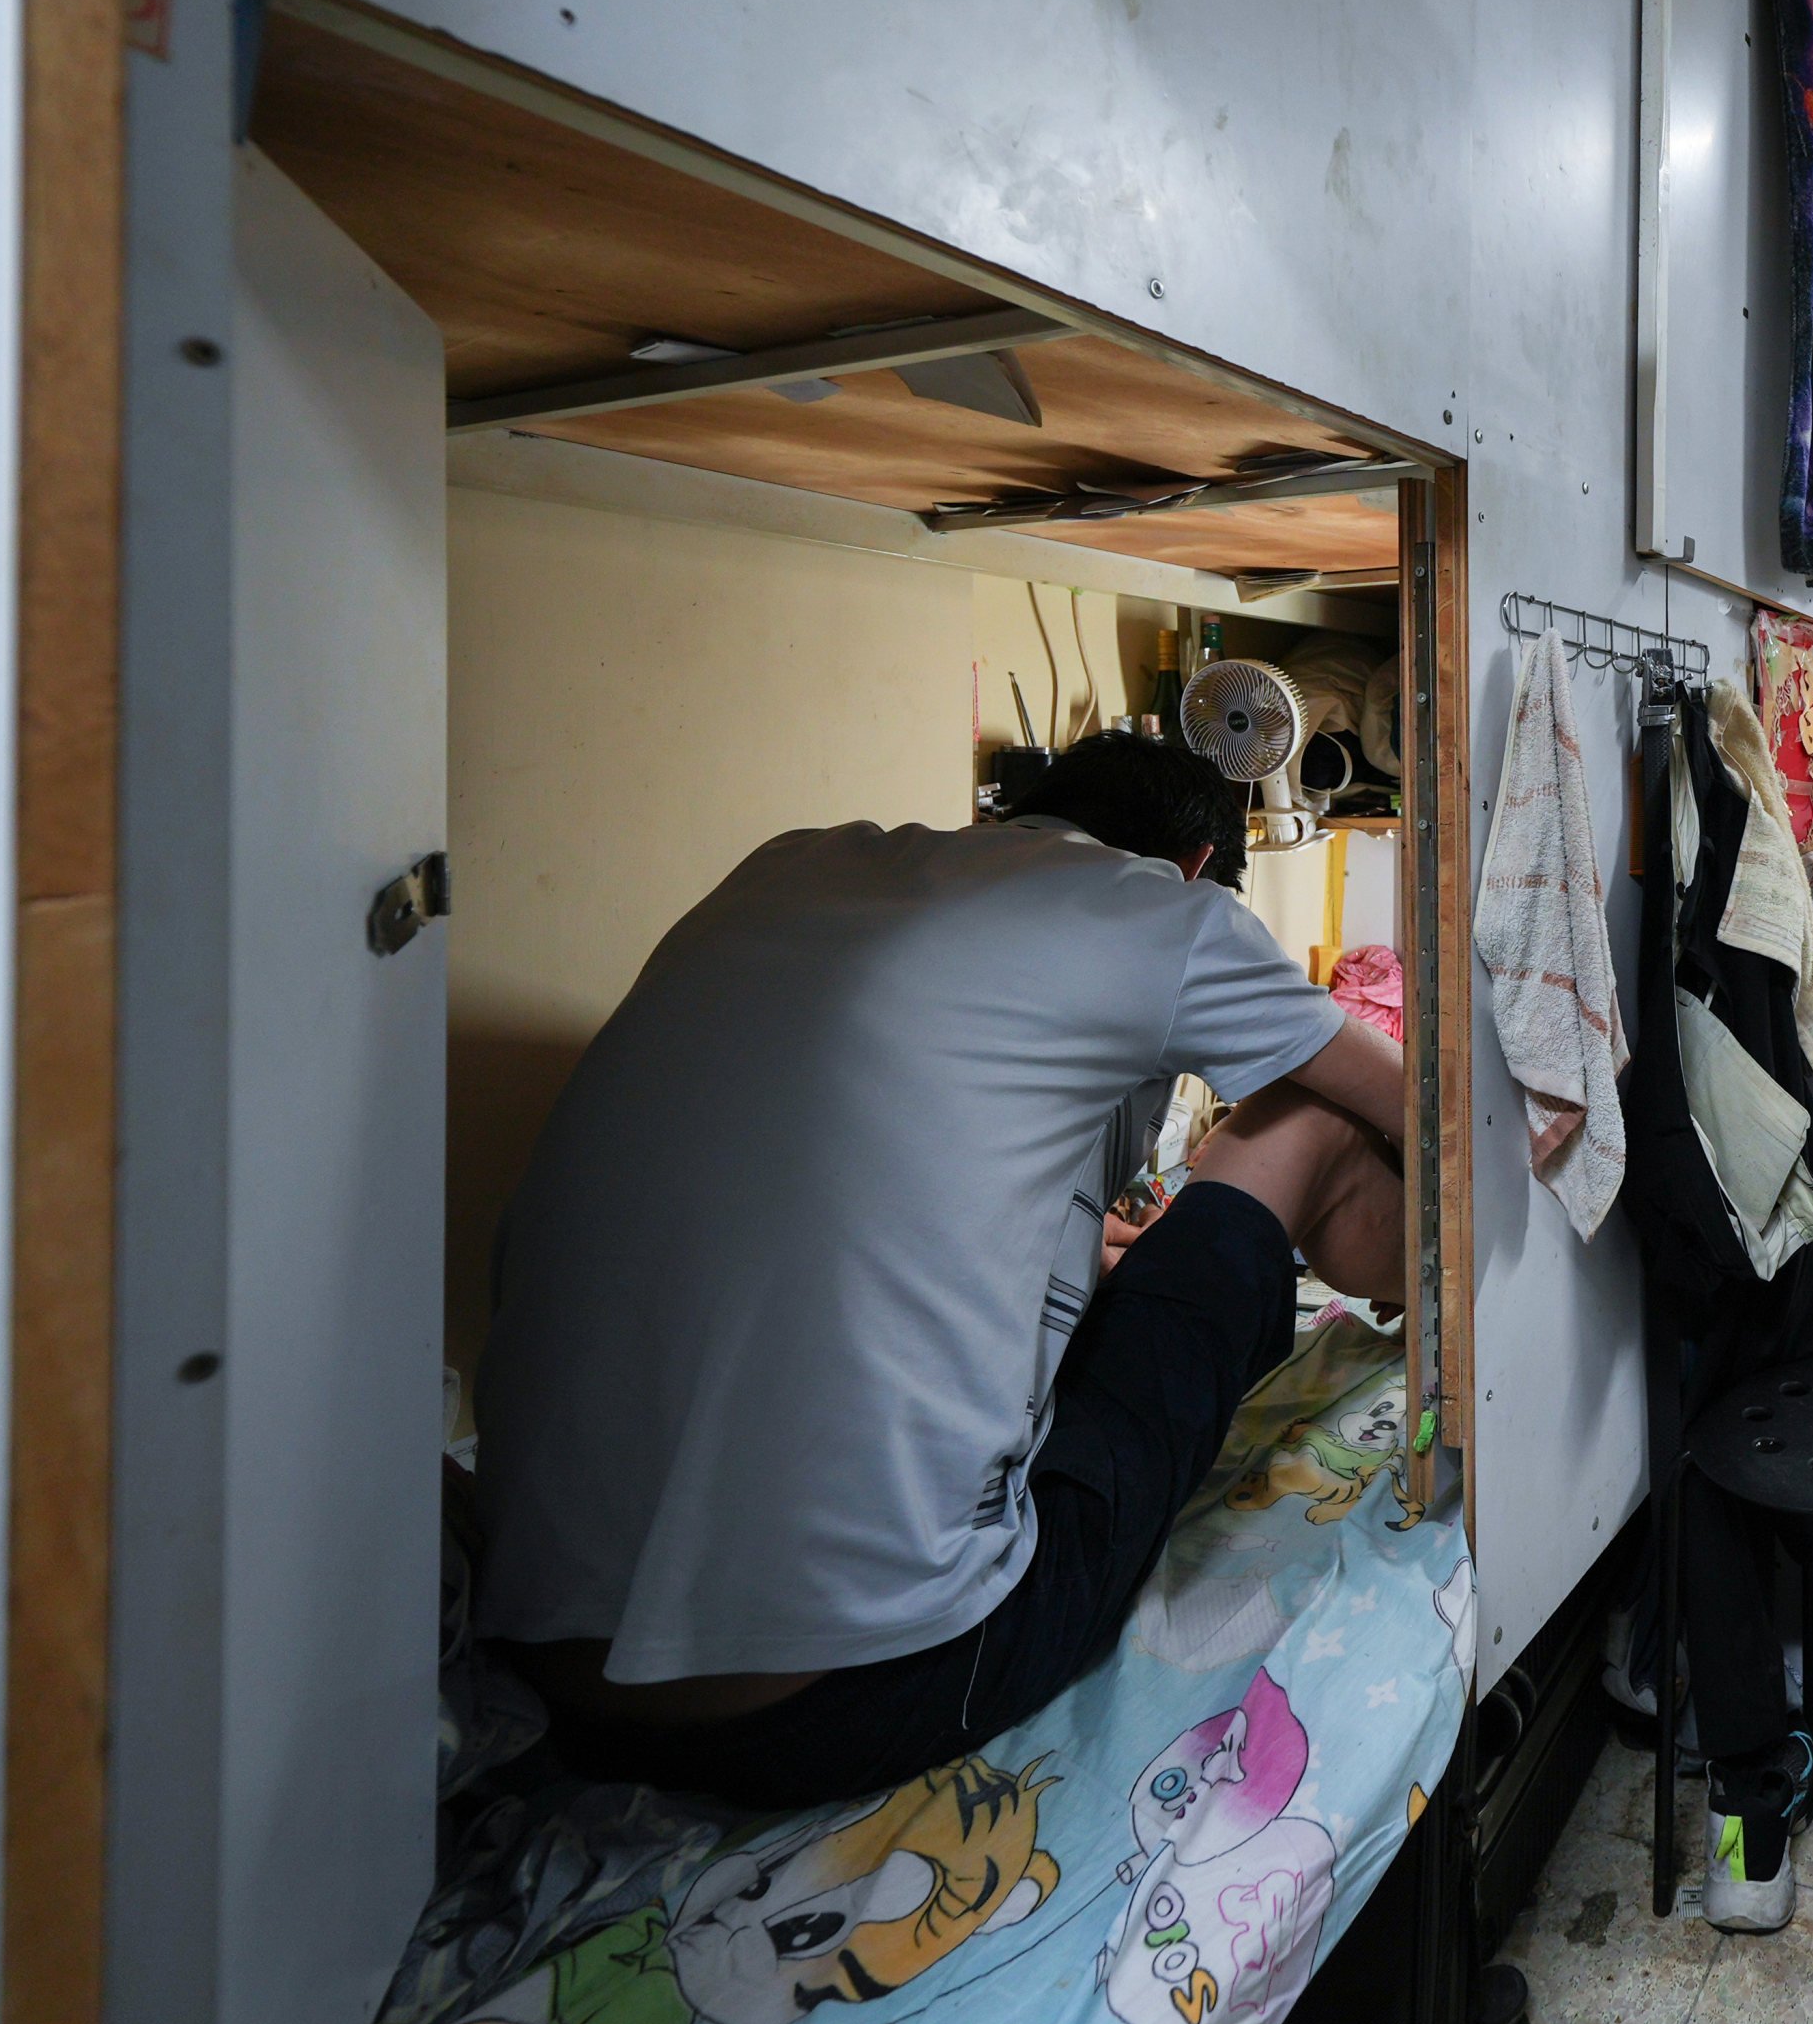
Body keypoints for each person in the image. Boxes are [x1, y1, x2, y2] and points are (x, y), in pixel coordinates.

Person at [470, 731, 1407, 1808]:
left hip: (553, 1672)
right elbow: (1426, 1110)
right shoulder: (1161, 912)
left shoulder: (788, 869)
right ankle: (1418, 1307)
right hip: (847, 1692)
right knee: (1299, 1120)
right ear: (1195, 864)